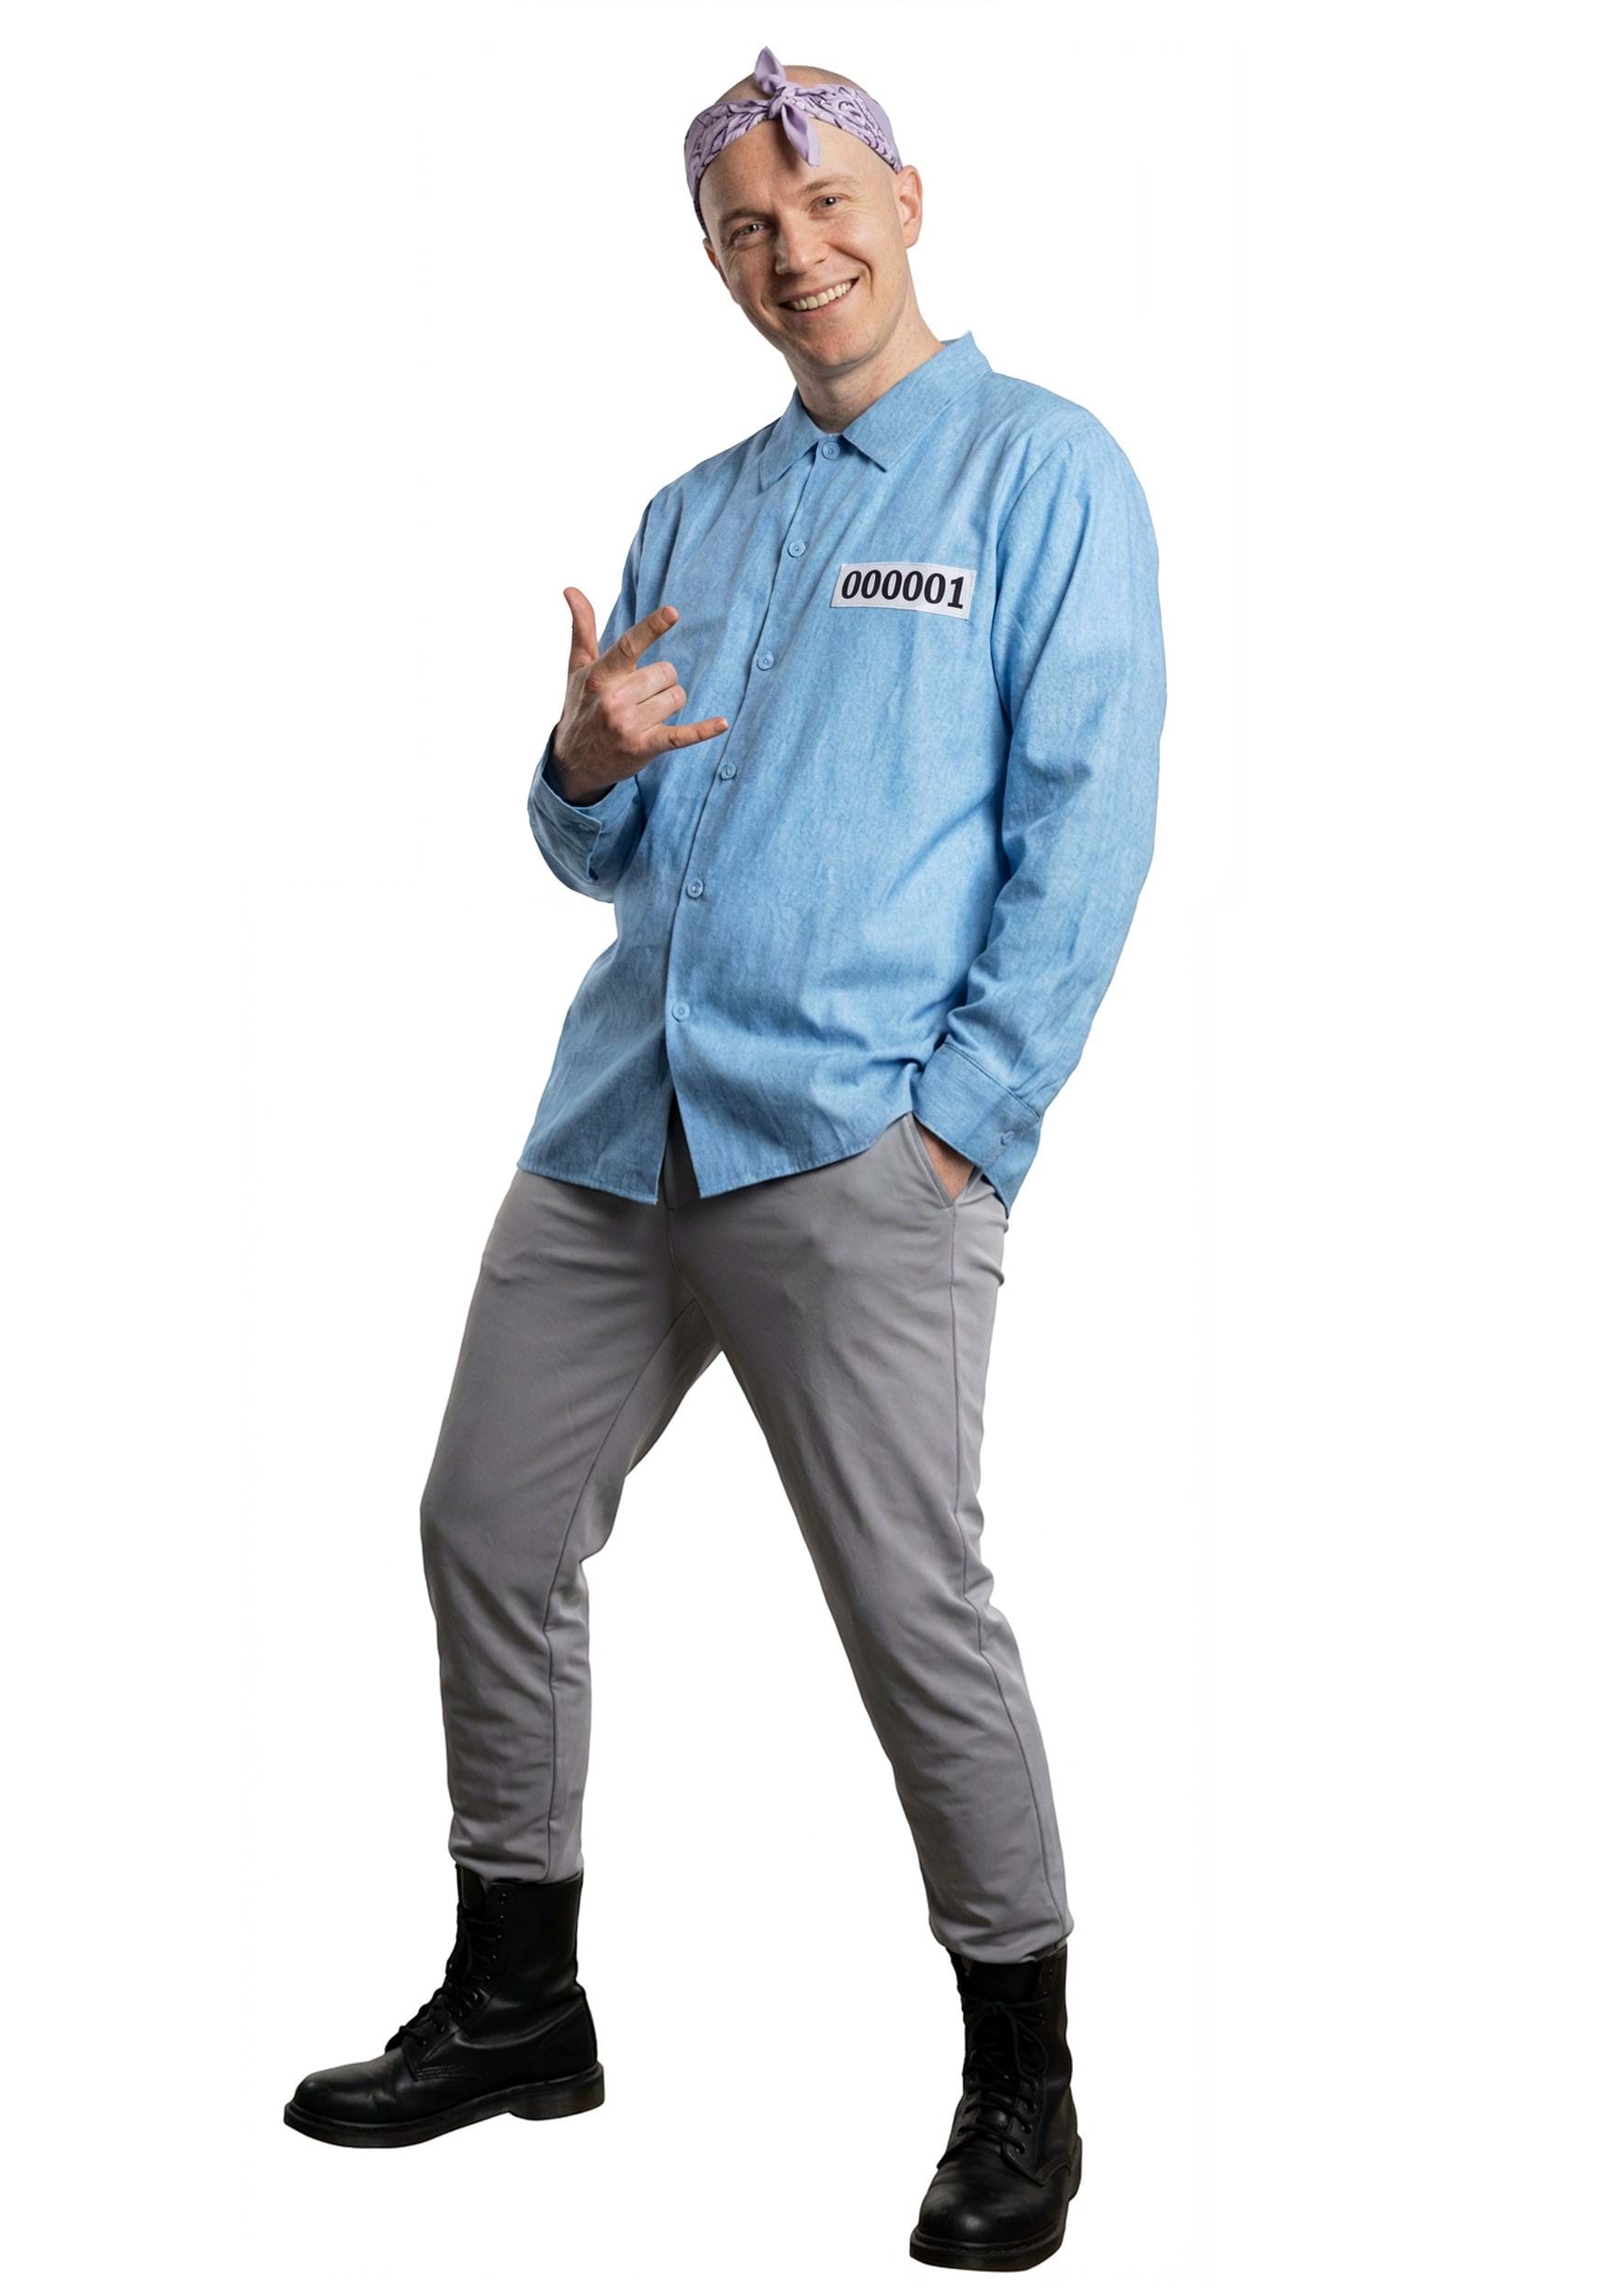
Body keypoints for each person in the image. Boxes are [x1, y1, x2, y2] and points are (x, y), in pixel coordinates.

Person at [285, 41, 1165, 2276]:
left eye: (825, 203)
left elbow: (1086, 827)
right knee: (486, 1522)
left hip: (855, 1146)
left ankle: (1021, 2073)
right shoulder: (690, 510)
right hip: (616, 1125)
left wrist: (962, 1127)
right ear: (711, 260)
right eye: (746, 230)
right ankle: (518, 1996)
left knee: (906, 1607)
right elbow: (599, 847)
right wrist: (579, 759)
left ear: (906, 200)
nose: (796, 252)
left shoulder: (1042, 473)